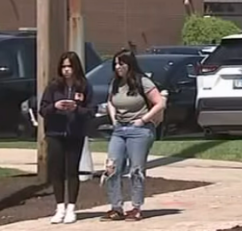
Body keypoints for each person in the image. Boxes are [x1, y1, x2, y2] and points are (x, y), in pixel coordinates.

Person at [101, 49, 166, 221]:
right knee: (111, 167)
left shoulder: (142, 81)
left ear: (129, 65)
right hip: (119, 129)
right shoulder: (115, 83)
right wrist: (114, 118)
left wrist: (143, 120)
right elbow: (110, 101)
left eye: (121, 64)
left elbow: (159, 103)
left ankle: (136, 207)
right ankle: (116, 207)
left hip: (139, 130)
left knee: (136, 170)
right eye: (115, 64)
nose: (118, 67)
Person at [39, 51, 94, 224]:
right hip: (55, 133)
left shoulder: (84, 86)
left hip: (75, 134)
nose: (66, 70)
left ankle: (71, 207)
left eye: (70, 66)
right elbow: (43, 109)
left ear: (76, 67)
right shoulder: (53, 86)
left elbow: (91, 111)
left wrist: (76, 108)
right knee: (56, 171)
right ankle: (59, 207)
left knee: (72, 171)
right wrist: (55, 106)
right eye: (63, 66)